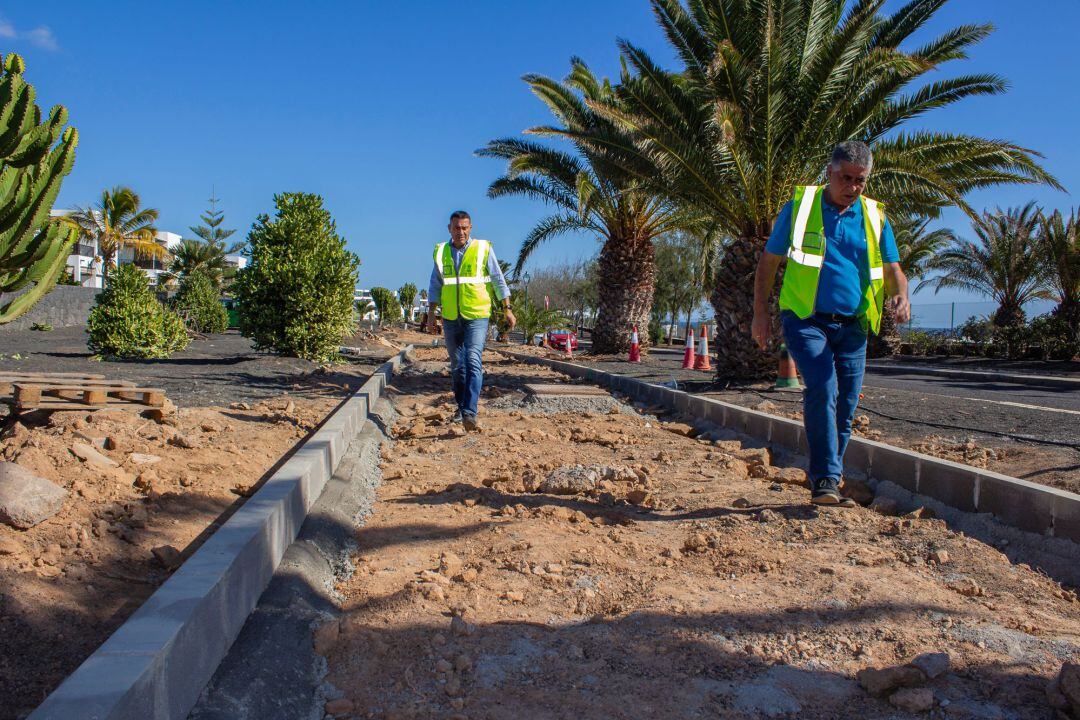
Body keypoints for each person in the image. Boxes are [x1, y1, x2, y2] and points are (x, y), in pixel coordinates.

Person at [751, 141, 910, 507]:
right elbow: (768, 264)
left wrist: (901, 294)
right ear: (829, 173)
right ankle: (825, 478)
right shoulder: (800, 209)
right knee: (823, 387)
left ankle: (829, 474)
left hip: (854, 324)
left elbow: (892, 270)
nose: (853, 187)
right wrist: (760, 313)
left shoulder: (875, 217)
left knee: (847, 402)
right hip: (805, 318)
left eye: (860, 180)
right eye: (846, 178)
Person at [428, 210, 515, 431]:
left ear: (471, 228)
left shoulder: (483, 249)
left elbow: (498, 279)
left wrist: (507, 309)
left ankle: (470, 412)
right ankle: (461, 408)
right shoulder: (442, 252)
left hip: (477, 315)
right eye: (456, 227)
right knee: (458, 365)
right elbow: (435, 284)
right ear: (449, 228)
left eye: (465, 227)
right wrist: (430, 315)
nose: (461, 232)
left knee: (473, 359)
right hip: (450, 316)